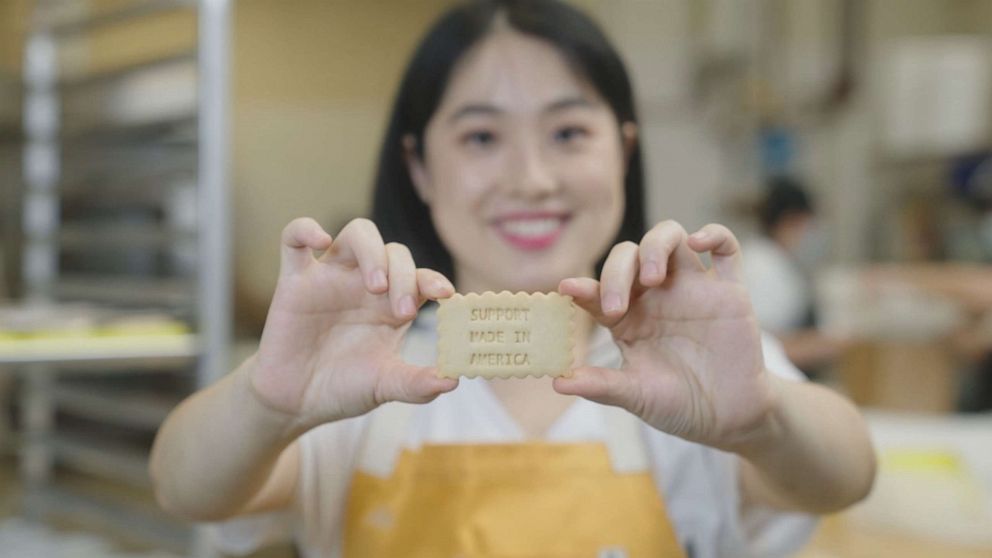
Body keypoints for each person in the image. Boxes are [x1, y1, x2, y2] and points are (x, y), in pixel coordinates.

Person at [149, 2, 876, 557]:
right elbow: (184, 489)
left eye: (568, 133)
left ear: (623, 152)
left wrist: (762, 421)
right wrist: (268, 405)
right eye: (481, 137)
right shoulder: (363, 375)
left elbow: (847, 474)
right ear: (420, 167)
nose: (530, 179)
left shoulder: (695, 370)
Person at [742, 178, 849, 373]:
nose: (812, 234)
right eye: (809, 225)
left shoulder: (776, 261)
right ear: (790, 220)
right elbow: (757, 347)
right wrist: (831, 344)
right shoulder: (762, 267)